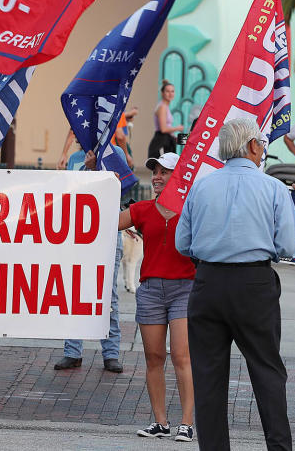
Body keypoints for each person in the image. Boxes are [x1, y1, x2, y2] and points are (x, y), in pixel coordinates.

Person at [175, 118, 295, 451]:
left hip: (208, 282)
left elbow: (182, 243)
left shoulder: (201, 186)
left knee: (209, 377)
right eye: (262, 143)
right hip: (254, 283)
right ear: (252, 146)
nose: (263, 149)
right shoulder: (273, 188)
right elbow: (288, 245)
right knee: (267, 371)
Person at [118, 152, 196, 443]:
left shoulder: (192, 208)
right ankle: (160, 422)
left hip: (185, 289)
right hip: (150, 290)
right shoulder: (142, 208)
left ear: (178, 177)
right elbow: (106, 220)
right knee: (153, 357)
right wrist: (106, 184)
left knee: (181, 356)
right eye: (155, 172)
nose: (157, 177)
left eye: (165, 172)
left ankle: (186, 423)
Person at [54, 145, 127, 375]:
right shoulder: (76, 158)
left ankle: (111, 353)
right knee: (75, 291)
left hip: (106, 235)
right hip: (78, 235)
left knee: (108, 295)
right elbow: (71, 193)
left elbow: (120, 190)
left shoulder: (116, 154)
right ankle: (72, 351)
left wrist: (96, 169)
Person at [148, 80, 183, 159]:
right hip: (161, 142)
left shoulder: (165, 107)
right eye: (167, 91)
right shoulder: (162, 107)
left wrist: (174, 138)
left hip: (167, 141)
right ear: (162, 93)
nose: (170, 94)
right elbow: (163, 129)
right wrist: (178, 128)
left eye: (172, 91)